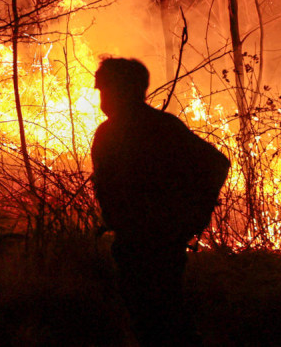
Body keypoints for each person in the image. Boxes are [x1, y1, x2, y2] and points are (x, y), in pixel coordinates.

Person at [91, 57, 230, 347]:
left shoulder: (116, 132)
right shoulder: (162, 125)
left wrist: (193, 217)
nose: (101, 97)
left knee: (156, 317)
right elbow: (215, 164)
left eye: (104, 89)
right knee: (158, 314)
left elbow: (216, 164)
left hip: (149, 241)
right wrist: (193, 217)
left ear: (122, 90)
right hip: (148, 240)